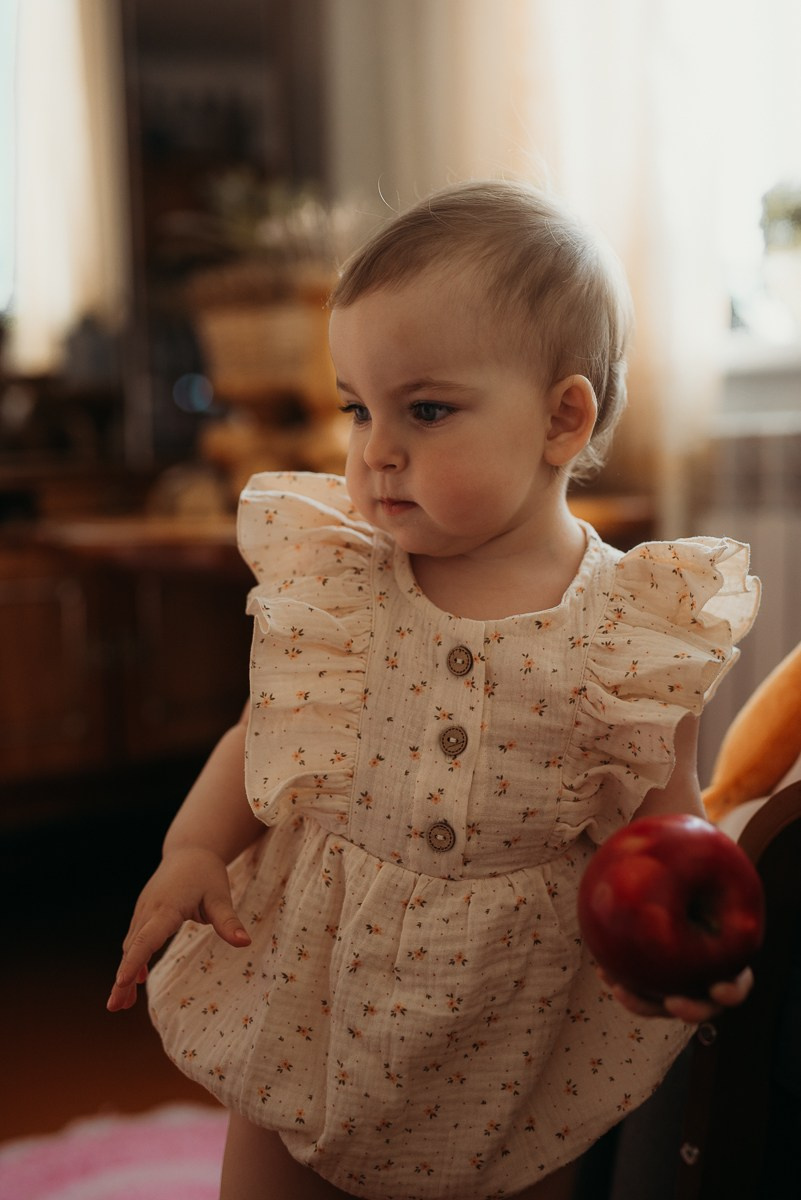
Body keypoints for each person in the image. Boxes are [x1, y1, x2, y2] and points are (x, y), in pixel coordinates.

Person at [108, 179, 760, 1200]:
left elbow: (664, 820)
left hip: (517, 1011)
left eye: (425, 409)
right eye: (357, 409)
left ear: (561, 417)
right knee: (270, 1169)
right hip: (316, 979)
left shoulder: (633, 628)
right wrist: (192, 845)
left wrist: (694, 933)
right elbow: (265, 730)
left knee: (521, 1168)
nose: (376, 450)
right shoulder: (346, 581)